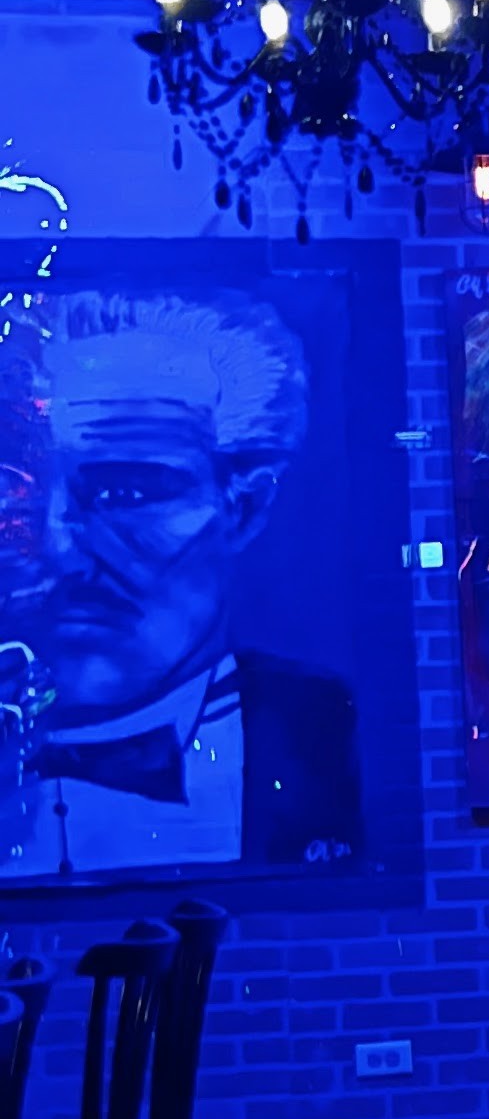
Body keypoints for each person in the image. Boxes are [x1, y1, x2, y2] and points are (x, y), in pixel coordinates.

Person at [0, 285, 363, 880]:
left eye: (129, 492)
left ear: (243, 508)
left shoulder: (327, 733)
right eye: (15, 491)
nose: (60, 552)